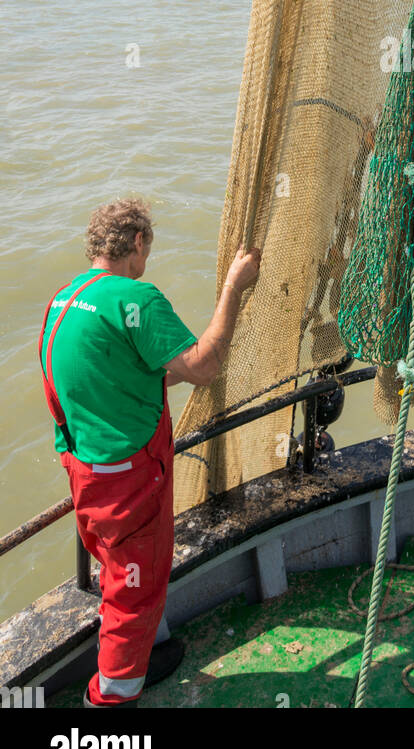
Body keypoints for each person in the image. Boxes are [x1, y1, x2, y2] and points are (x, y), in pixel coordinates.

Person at [38, 197, 260, 708]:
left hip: (85, 473)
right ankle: (110, 705)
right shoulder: (134, 298)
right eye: (148, 248)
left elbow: (75, 380)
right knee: (132, 599)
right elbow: (203, 367)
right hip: (130, 486)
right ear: (138, 243)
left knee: (120, 574)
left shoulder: (65, 299)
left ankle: (147, 654)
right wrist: (233, 287)